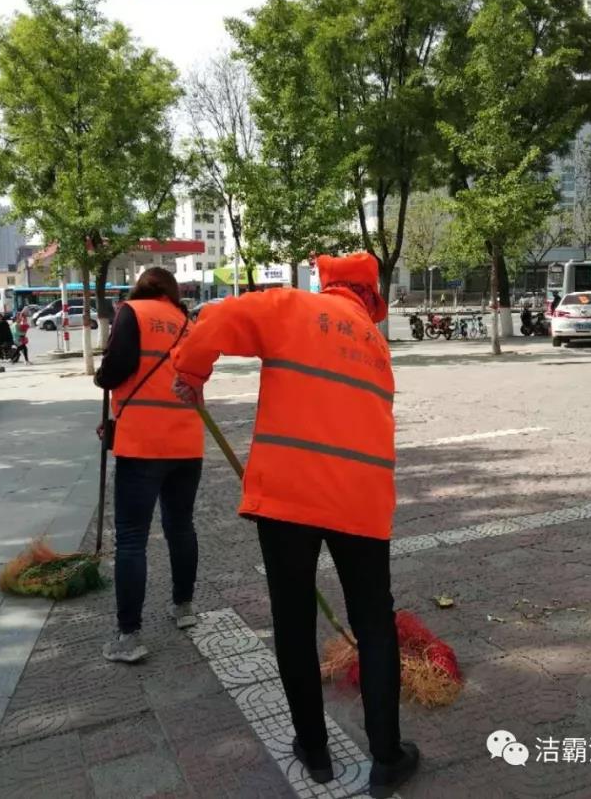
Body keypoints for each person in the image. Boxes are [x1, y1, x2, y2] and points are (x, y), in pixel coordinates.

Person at [171, 252, 419, 799]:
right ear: (371, 298)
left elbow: (213, 318)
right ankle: (387, 758)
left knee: (293, 620)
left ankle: (314, 750)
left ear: (326, 283)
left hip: (289, 497)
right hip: (361, 501)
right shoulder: (376, 345)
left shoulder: (291, 308)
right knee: (375, 626)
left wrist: (190, 371)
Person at [94, 267, 203, 664]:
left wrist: (101, 377)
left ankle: (129, 636)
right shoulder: (187, 324)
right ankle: (184, 607)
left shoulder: (132, 312)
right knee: (181, 526)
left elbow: (117, 367)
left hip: (142, 443)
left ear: (140, 288)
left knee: (131, 538)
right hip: (187, 442)